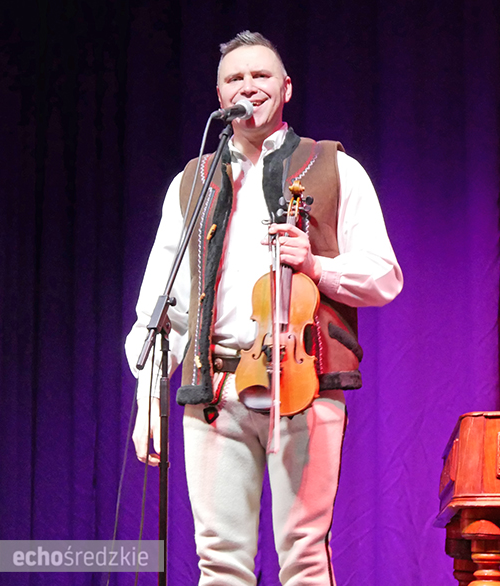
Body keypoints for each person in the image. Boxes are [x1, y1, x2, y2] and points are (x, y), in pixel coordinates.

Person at [124, 31, 403, 586]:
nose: (247, 86)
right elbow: (164, 304)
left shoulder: (334, 167)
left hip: (304, 384)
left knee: (303, 556)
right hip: (215, 392)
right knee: (219, 562)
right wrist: (149, 394)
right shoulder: (192, 182)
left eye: (261, 76)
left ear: (286, 89)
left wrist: (318, 266)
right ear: (221, 94)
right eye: (234, 78)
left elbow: (384, 277)